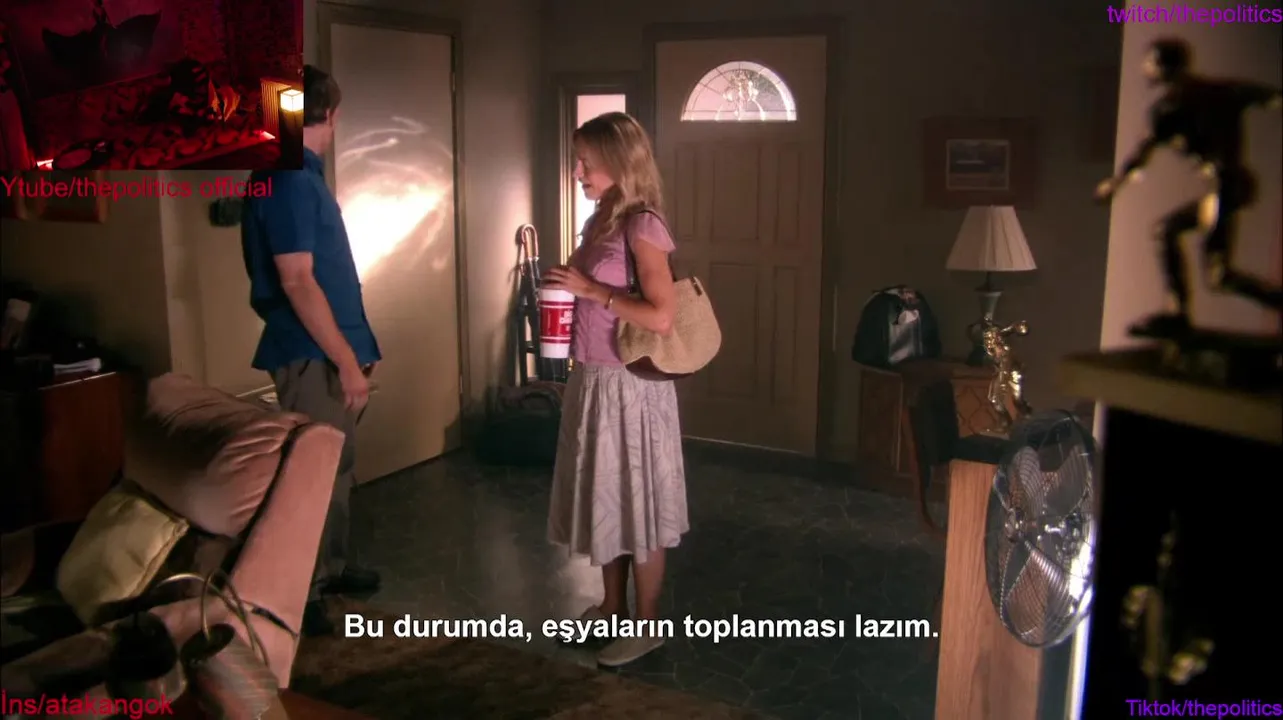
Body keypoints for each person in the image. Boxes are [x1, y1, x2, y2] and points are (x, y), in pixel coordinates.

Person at [241, 65, 382, 637]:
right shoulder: (289, 179)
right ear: (332, 114)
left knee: (336, 467)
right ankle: (309, 591)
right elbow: (297, 281)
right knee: (312, 474)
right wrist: (345, 361)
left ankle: (334, 568)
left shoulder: (302, 175)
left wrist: (357, 349)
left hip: (329, 349)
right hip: (311, 355)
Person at [543, 111, 687, 667]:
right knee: (608, 500)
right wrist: (572, 286)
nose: (577, 171)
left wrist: (592, 291)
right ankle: (610, 608)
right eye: (577, 160)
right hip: (595, 379)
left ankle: (646, 624)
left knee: (638, 503)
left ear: (618, 162)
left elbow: (662, 317)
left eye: (586, 161)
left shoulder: (643, 225)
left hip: (631, 387)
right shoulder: (602, 218)